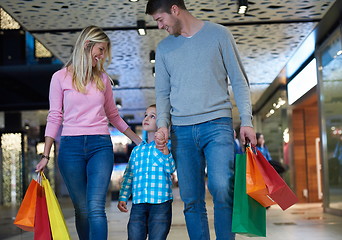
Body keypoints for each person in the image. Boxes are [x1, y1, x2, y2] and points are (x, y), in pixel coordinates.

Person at [145, 1, 257, 239]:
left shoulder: (219, 35)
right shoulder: (164, 49)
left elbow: (239, 80)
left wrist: (246, 120)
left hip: (217, 125)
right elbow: (162, 94)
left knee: (221, 187)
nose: (159, 25)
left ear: (175, 10)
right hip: (181, 132)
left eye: (160, 19)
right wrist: (163, 125)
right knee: (191, 198)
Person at [35, 25, 142, 240]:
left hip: (100, 146)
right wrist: (45, 155)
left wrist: (139, 141)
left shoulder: (102, 79)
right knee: (82, 209)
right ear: (87, 45)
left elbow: (114, 115)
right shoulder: (60, 77)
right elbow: (55, 115)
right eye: (100, 50)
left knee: (95, 207)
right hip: (70, 148)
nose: (102, 56)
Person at [117, 104, 175, 240]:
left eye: (152, 116)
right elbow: (129, 175)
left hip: (161, 203)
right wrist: (123, 196)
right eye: (145, 115)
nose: (146, 118)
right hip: (139, 204)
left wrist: (165, 152)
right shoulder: (137, 150)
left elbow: (170, 168)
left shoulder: (167, 147)